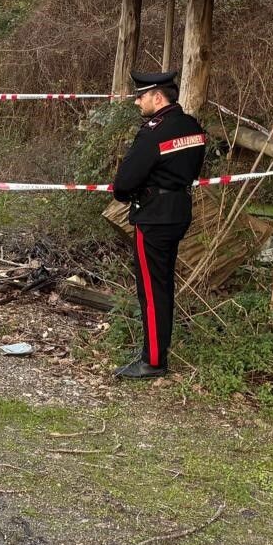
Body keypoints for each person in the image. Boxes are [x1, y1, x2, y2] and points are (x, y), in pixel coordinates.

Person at [111, 69, 206, 380]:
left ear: (157, 96)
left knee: (151, 291)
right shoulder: (192, 126)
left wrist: (126, 194)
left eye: (141, 95)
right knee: (163, 285)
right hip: (179, 209)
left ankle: (152, 360)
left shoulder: (154, 131)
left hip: (153, 216)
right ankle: (155, 349)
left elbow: (124, 182)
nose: (138, 101)